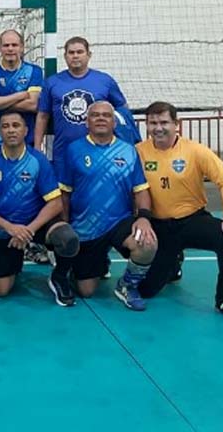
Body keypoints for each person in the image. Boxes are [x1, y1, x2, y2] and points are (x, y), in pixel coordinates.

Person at [136, 101, 223, 324]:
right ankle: (172, 265)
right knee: (146, 290)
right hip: (159, 227)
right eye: (152, 123)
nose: (158, 128)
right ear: (146, 125)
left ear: (176, 124)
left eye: (164, 122)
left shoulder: (195, 151)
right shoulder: (139, 152)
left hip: (191, 221)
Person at [51, 101, 156, 310]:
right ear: (86, 122)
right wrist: (65, 225)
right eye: (95, 115)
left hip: (119, 222)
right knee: (87, 291)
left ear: (114, 123)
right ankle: (86, 264)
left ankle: (127, 285)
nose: (101, 118)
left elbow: (141, 190)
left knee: (147, 244)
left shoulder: (128, 151)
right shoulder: (74, 150)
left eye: (106, 115)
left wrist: (144, 218)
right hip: (85, 228)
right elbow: (65, 192)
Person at [0, 111, 80, 299]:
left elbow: (55, 204)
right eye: (5, 126)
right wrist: (10, 227)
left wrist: (28, 230)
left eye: (16, 125)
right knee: (0, 291)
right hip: (5, 228)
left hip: (36, 225)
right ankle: (15, 261)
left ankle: (59, 277)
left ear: (25, 130)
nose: (11, 130)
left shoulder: (38, 160)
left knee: (66, 237)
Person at [0, 30, 44, 265]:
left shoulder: (34, 71)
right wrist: (20, 94)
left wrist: (0, 100)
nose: (10, 49)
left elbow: (34, 104)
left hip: (26, 142)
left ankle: (31, 241)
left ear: (22, 47)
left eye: (14, 45)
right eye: (6, 45)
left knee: (30, 191)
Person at [34, 36, 128, 163]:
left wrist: (121, 141)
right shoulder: (52, 82)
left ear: (89, 55)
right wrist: (37, 147)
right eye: (71, 52)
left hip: (98, 152)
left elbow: (123, 110)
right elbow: (43, 116)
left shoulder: (105, 80)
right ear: (65, 56)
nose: (75, 56)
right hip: (63, 152)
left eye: (80, 52)